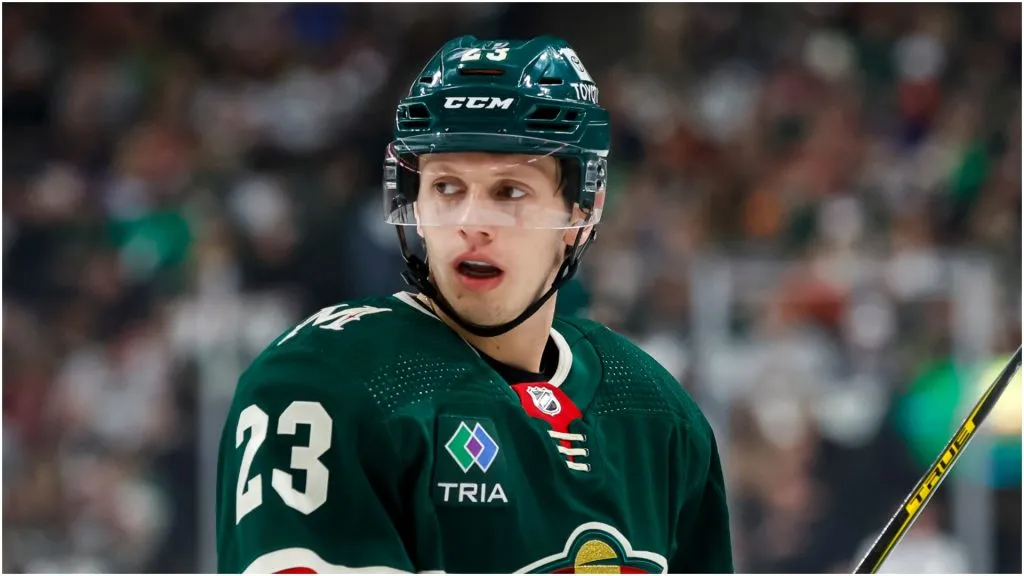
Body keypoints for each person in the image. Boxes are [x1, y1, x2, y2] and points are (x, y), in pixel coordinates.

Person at [215, 35, 733, 574]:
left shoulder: (656, 413)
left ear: (584, 208)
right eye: (446, 187)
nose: (471, 222)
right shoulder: (322, 382)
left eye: (510, 191)